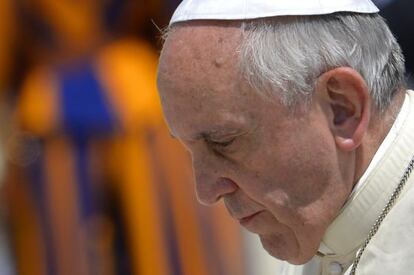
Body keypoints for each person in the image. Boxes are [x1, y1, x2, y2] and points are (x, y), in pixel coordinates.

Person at [156, 0, 414, 274]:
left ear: (343, 108)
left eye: (223, 142)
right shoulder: (315, 223)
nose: (205, 192)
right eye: (189, 150)